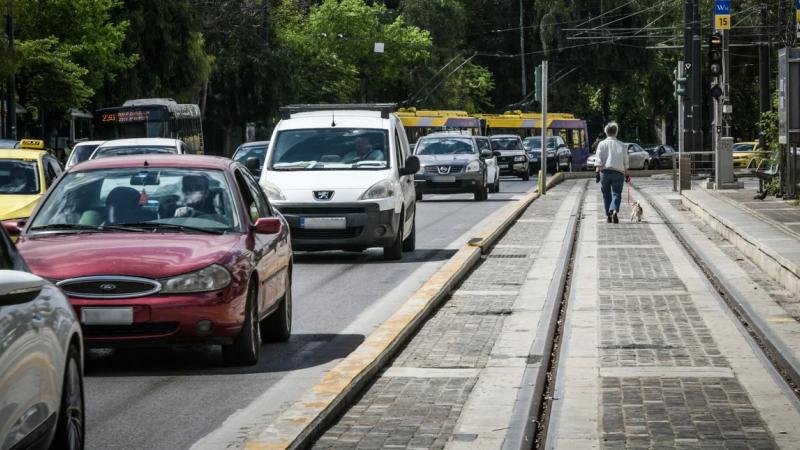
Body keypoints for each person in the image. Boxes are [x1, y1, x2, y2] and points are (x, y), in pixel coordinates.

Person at [595, 122, 629, 224]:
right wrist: (627, 174)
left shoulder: (601, 144)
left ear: (606, 132)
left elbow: (598, 159)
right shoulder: (621, 145)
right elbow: (625, 161)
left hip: (604, 172)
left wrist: (597, 172)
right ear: (616, 132)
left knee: (606, 195)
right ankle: (614, 210)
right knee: (617, 193)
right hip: (618, 172)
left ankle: (608, 216)